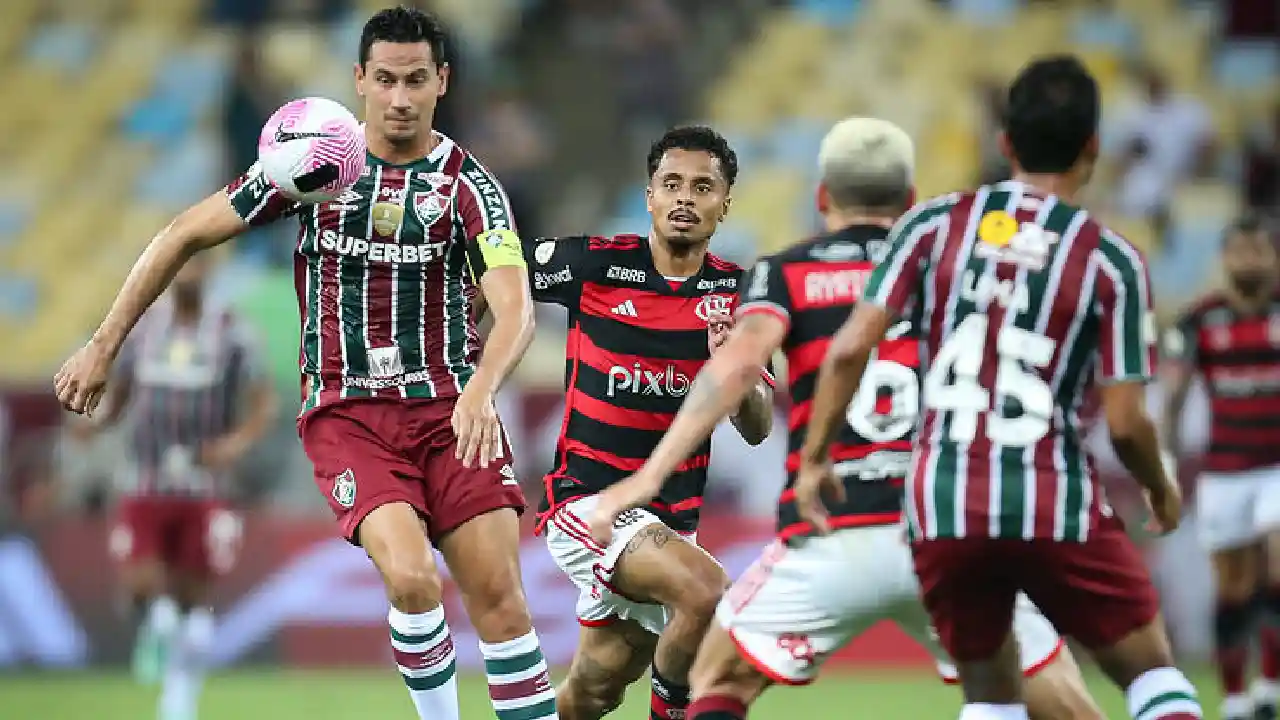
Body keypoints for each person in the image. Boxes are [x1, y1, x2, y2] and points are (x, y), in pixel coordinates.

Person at [52, 9, 557, 720]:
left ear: (442, 81)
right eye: (385, 80)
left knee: (502, 602)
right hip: (350, 415)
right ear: (359, 81)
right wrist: (103, 345)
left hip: (452, 413)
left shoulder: (471, 189)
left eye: (416, 79)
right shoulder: (317, 163)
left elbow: (517, 309)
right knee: (412, 578)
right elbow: (183, 233)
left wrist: (480, 387)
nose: (401, 97)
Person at [587, 117, 1104, 720]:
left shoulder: (784, 273)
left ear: (822, 196)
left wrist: (648, 478)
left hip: (836, 524)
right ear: (910, 201)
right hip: (948, 524)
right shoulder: (956, 272)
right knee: (1055, 699)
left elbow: (733, 371)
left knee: (714, 679)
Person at [794, 57, 1203, 720]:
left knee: (990, 695)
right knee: (1152, 675)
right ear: (1092, 149)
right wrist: (1159, 485)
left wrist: (815, 458)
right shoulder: (1111, 259)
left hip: (943, 499)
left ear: (1005, 142)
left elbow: (846, 351)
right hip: (1052, 495)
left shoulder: (929, 226)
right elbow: (1127, 424)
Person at [526, 125, 774, 720]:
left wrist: (731, 370)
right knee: (706, 590)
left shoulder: (739, 295)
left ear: (725, 202)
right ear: (650, 196)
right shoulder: (592, 266)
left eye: (702, 186)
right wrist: (472, 371)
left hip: (671, 521)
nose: (685, 197)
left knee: (594, 689)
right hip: (590, 504)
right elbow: (495, 271)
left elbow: (759, 425)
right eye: (672, 184)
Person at [70, 251, 274, 720]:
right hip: (145, 478)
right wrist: (95, 424)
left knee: (192, 603)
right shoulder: (143, 330)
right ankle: (155, 625)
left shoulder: (232, 333)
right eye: (182, 265)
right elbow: (119, 396)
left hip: (205, 485)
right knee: (143, 585)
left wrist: (233, 445)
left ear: (211, 273)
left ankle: (180, 696)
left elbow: (261, 403)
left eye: (198, 266)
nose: (189, 274)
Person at [1163, 215, 1280, 720]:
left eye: (1258, 250)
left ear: (1273, 258)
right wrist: (1166, 464)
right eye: (1240, 251)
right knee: (1233, 589)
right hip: (1224, 471)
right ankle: (1234, 696)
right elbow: (1173, 398)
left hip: (1276, 466)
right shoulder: (1200, 321)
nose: (1249, 260)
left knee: (1277, 571)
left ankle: (1270, 685)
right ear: (1224, 259)